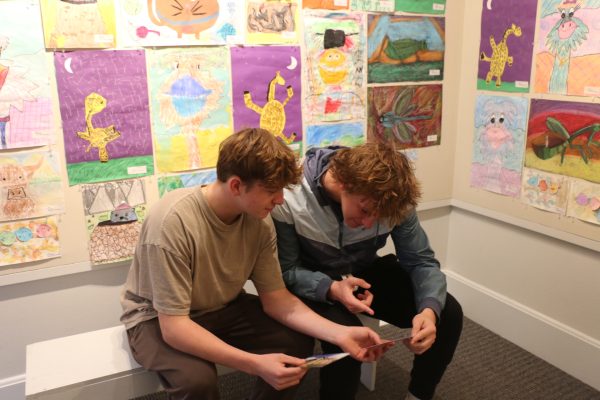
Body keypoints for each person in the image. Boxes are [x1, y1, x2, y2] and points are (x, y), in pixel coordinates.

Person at [120, 128, 388, 400]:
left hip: (223, 306)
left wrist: (341, 334)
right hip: (155, 318)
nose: (281, 199)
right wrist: (255, 364)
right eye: (272, 190)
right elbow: (175, 328)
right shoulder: (171, 222)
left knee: (295, 344)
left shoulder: (259, 222)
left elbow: (277, 300)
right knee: (197, 382)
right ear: (236, 185)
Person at [271, 143, 464, 400]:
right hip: (312, 278)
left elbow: (421, 262)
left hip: (361, 270)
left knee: (447, 312)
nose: (368, 224)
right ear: (342, 182)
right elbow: (288, 270)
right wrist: (332, 289)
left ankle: (418, 395)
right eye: (364, 210)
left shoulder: (396, 203)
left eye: (379, 217)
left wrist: (428, 313)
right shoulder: (290, 197)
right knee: (347, 335)